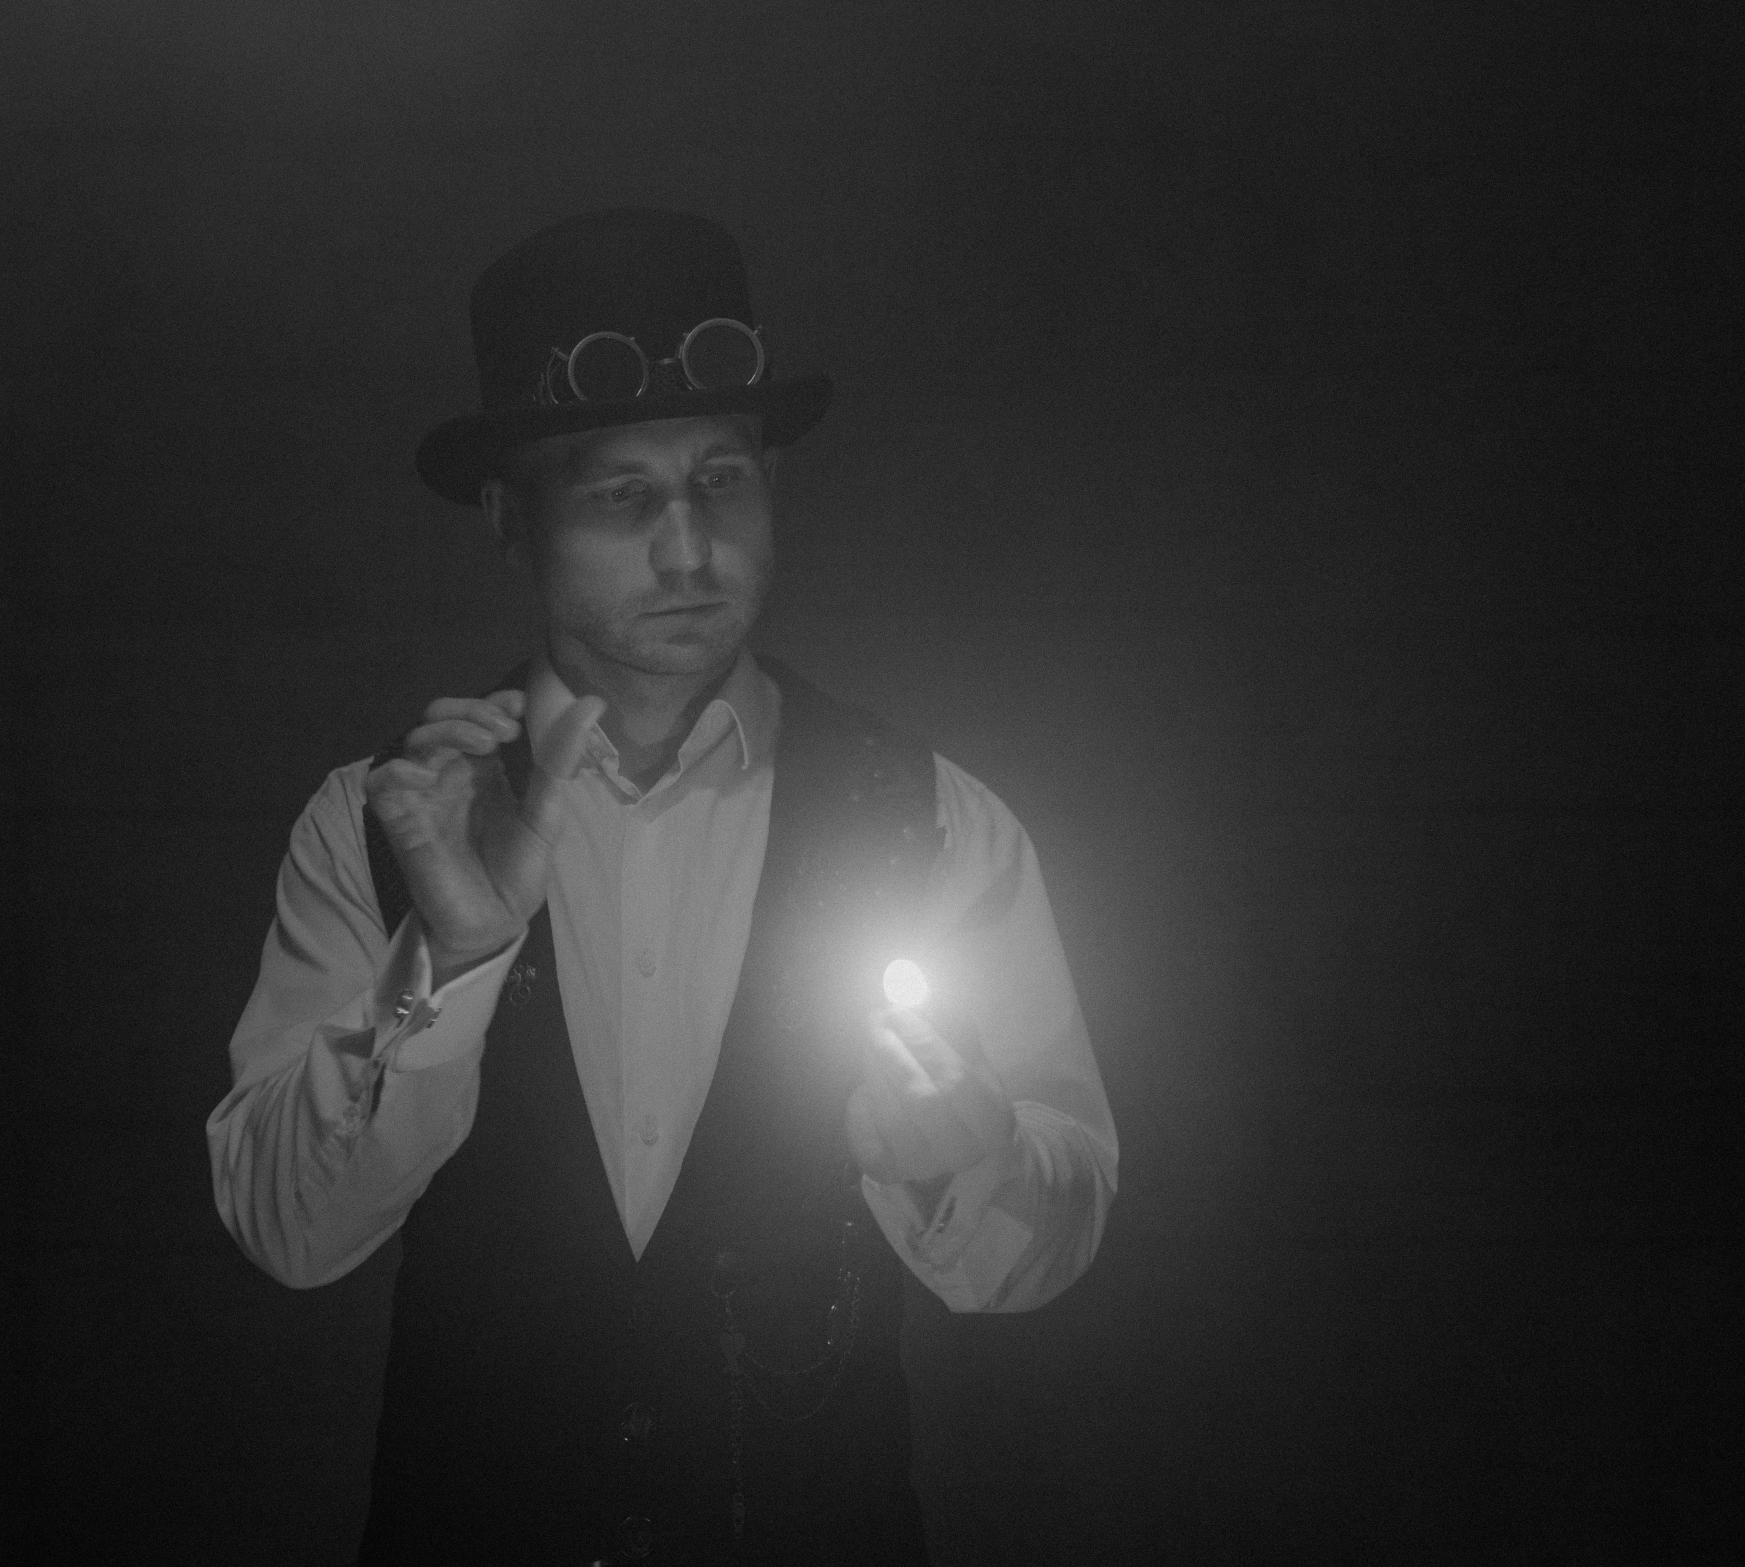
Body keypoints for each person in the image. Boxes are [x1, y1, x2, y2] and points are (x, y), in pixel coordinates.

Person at [206, 208, 1118, 1566]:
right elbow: (287, 1232)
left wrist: (969, 1151)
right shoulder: (378, 819)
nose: (689, 550)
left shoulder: (926, 818)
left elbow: (1040, 1255)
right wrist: (443, 963)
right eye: (624, 498)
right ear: (511, 521)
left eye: (723, 483)